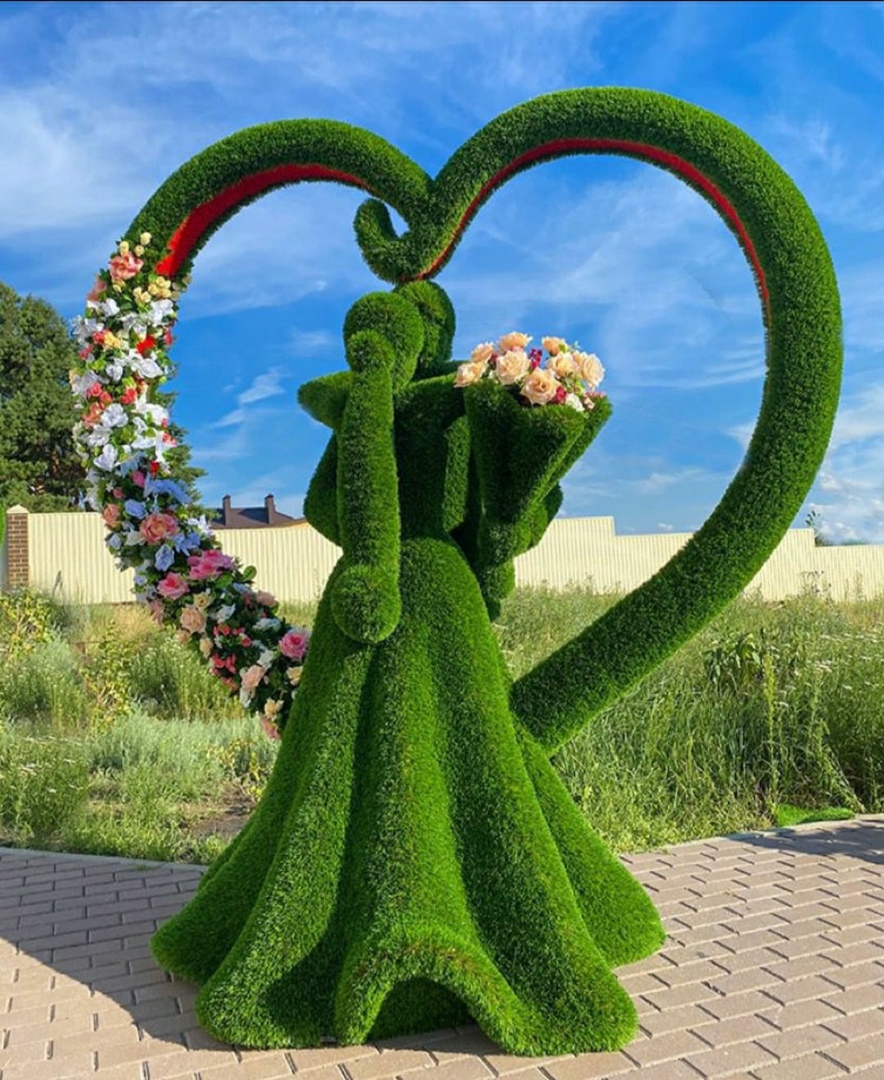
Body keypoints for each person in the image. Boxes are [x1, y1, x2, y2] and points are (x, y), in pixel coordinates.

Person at [151, 282, 664, 1055]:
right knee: (466, 754)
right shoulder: (466, 404)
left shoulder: (398, 403)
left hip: (382, 599)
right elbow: (493, 523)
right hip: (443, 591)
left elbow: (327, 506)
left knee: (355, 759)